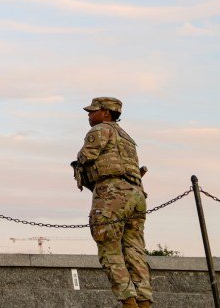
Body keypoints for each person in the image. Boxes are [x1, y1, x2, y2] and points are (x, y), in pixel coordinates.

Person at [75, 97, 152, 308]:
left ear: (106, 113)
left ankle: (129, 302)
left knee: (109, 247)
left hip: (112, 193)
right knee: (135, 251)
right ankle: (144, 301)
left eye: (93, 111)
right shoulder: (126, 137)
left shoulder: (100, 130)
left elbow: (86, 157)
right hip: (136, 194)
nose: (89, 115)